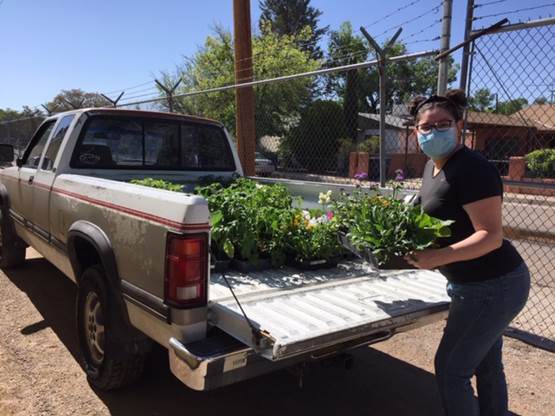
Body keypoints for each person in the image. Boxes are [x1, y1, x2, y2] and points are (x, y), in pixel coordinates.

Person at [404, 89, 530, 416]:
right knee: (486, 364)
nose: (433, 132)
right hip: (474, 285)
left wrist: (435, 258)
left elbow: (490, 237)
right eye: (426, 127)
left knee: (450, 370)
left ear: (459, 126)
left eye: (442, 124)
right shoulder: (433, 167)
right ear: (415, 130)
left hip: (494, 284)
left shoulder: (472, 168)